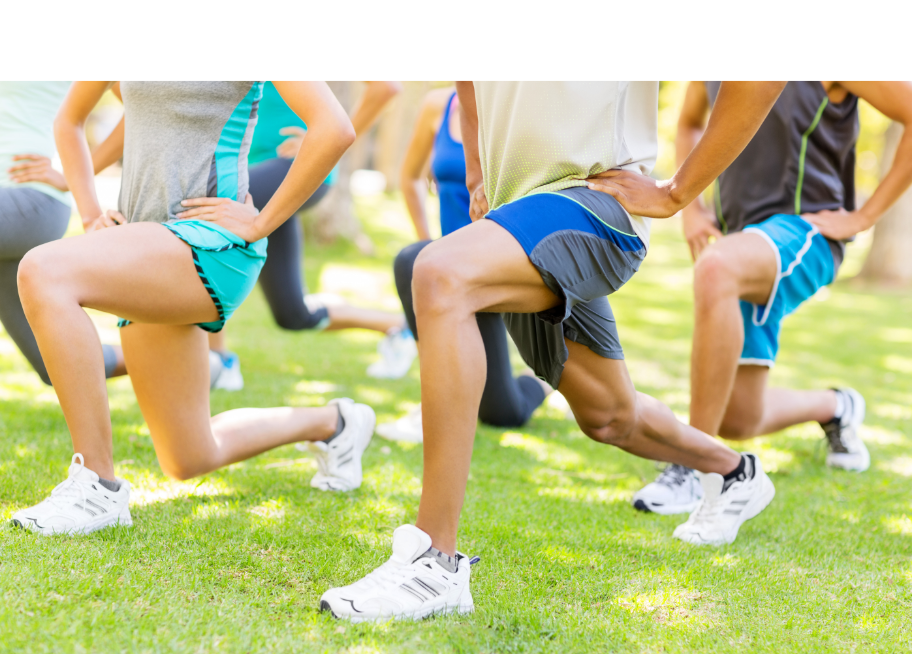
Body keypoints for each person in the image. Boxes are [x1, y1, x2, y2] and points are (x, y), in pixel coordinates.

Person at [319, 80, 791, 622]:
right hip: (518, 214)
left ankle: (434, 561)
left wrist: (678, 191)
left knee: (439, 272)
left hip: (596, 206)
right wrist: (478, 171)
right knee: (611, 417)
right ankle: (734, 472)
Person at [11, 80, 374, 537]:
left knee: (44, 271)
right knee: (189, 456)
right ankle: (335, 423)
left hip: (210, 245)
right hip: (145, 249)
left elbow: (334, 128)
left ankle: (96, 486)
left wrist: (262, 222)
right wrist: (89, 213)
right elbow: (69, 120)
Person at [633, 80, 912, 519]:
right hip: (740, 238)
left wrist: (865, 215)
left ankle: (695, 467)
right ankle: (838, 407)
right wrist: (693, 209)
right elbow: (689, 123)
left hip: (807, 233)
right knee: (738, 418)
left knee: (716, 268)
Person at [207, 80, 416, 387]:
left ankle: (219, 360)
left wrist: (323, 140)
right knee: (292, 314)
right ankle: (398, 327)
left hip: (290, 168)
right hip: (258, 176)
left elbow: (386, 87)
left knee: (207, 212)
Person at [377, 87, 548, 443]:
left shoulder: (521, 106)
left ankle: (541, 383)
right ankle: (433, 405)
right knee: (414, 260)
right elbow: (409, 178)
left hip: (502, 264)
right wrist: (432, 243)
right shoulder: (438, 104)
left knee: (506, 416)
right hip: (455, 269)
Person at [0, 80, 126, 385]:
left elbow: (139, 110)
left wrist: (69, 175)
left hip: (28, 203)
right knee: (54, 363)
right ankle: (197, 360)